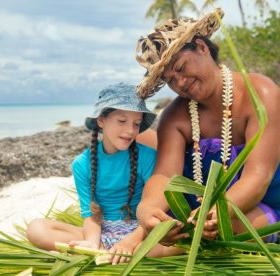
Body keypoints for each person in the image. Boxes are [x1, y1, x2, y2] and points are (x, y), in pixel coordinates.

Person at [134, 8, 280, 244]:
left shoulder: (262, 95)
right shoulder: (174, 117)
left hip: (253, 210)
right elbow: (165, 175)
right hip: (191, 217)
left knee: (225, 235)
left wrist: (219, 211)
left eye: (180, 67)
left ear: (202, 47)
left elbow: (258, 177)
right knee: (159, 238)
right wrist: (146, 210)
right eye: (169, 80)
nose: (180, 83)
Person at [26, 83, 185, 264]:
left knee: (176, 243)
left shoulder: (148, 157)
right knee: (36, 228)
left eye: (136, 124)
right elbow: (91, 217)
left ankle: (121, 253)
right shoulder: (82, 164)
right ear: (101, 121)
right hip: (103, 234)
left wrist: (129, 242)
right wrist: (91, 243)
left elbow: (156, 211)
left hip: (142, 232)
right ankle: (104, 252)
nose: (130, 130)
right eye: (122, 121)